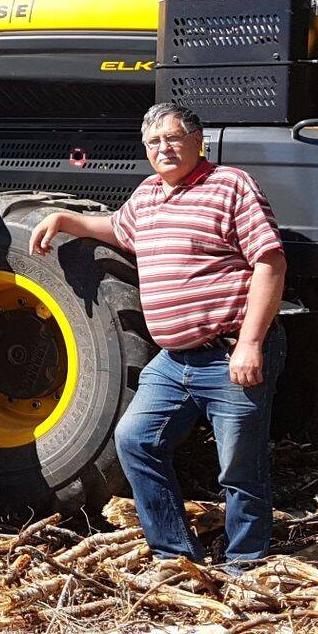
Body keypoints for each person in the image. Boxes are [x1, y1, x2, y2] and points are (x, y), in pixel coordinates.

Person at [30, 101, 287, 570]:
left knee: (239, 468)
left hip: (228, 351)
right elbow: (118, 229)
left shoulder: (230, 185)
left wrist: (250, 343)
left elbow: (270, 262)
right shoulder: (149, 194)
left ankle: (244, 565)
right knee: (135, 440)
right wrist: (68, 220)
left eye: (172, 138)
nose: (163, 149)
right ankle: (175, 553)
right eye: (153, 143)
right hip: (173, 361)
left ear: (196, 140)